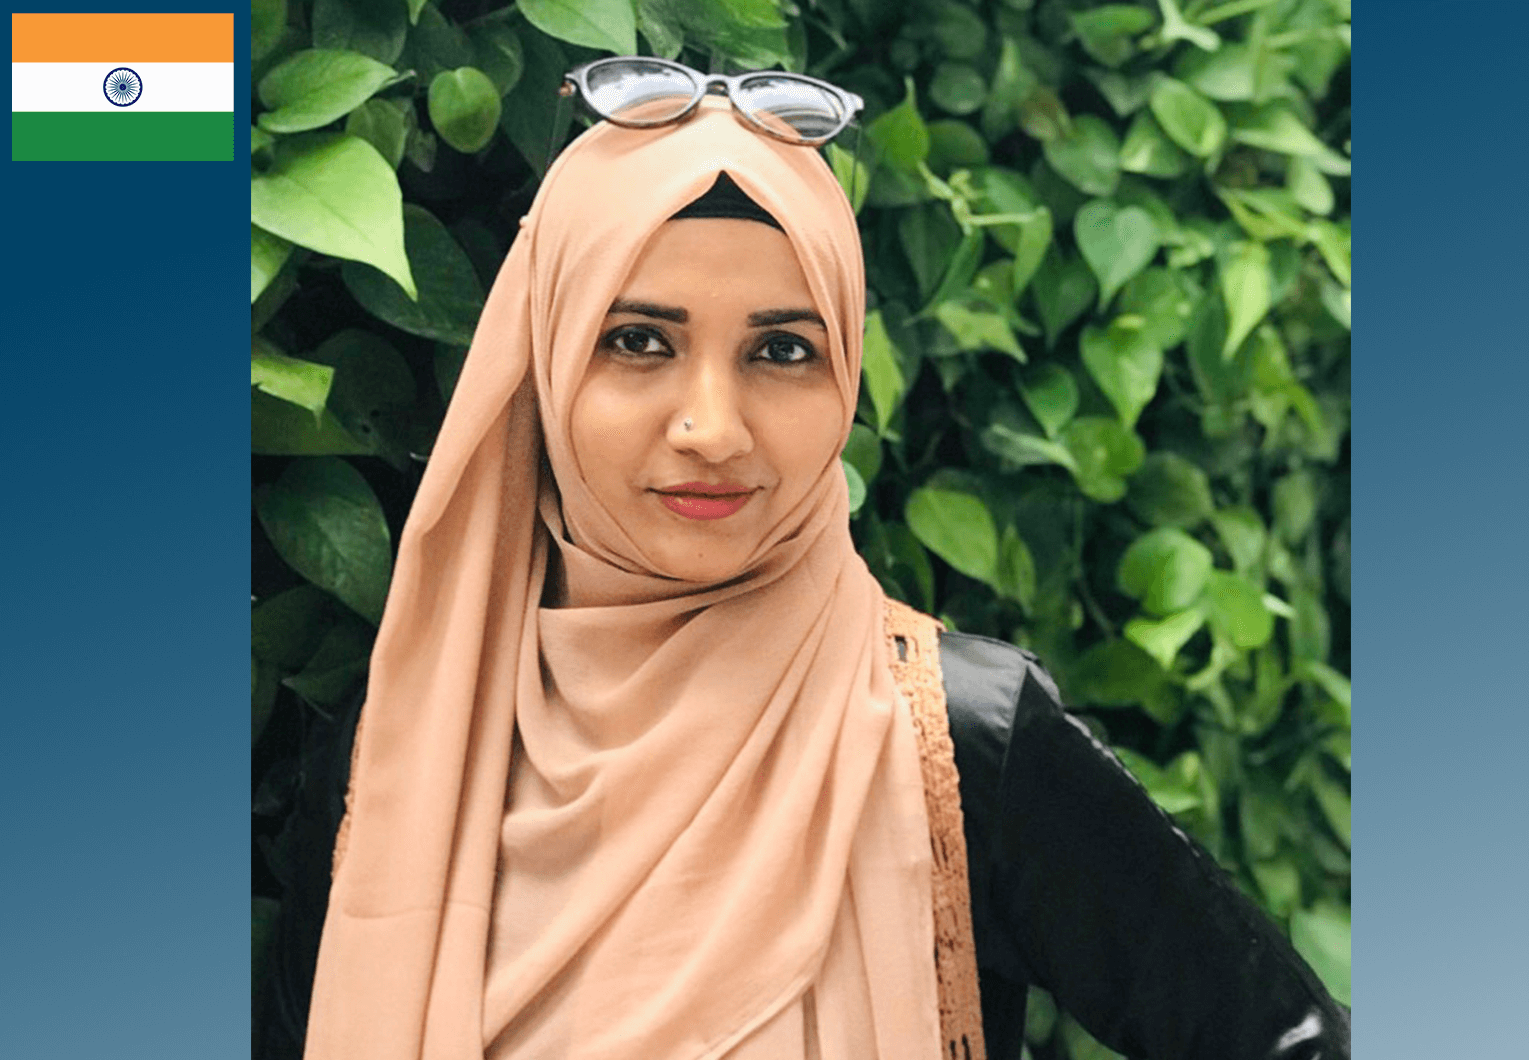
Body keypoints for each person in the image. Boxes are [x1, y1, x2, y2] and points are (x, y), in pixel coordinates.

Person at [259, 59, 1350, 1060]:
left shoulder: (958, 738)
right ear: (544, 363)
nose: (713, 427)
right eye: (638, 340)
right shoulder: (409, 749)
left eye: (782, 350)